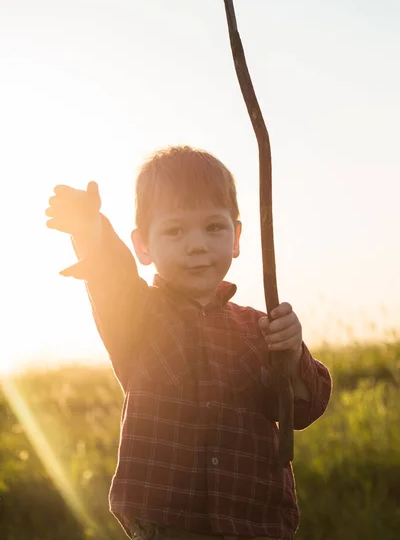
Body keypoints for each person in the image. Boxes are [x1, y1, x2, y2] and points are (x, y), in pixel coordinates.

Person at [45, 145, 332, 540]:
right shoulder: (135, 313)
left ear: (236, 237)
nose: (196, 244)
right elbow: (111, 272)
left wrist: (293, 352)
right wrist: (90, 228)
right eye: (175, 230)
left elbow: (302, 408)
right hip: (167, 520)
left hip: (254, 521)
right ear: (143, 245)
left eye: (214, 227)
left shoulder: (258, 327)